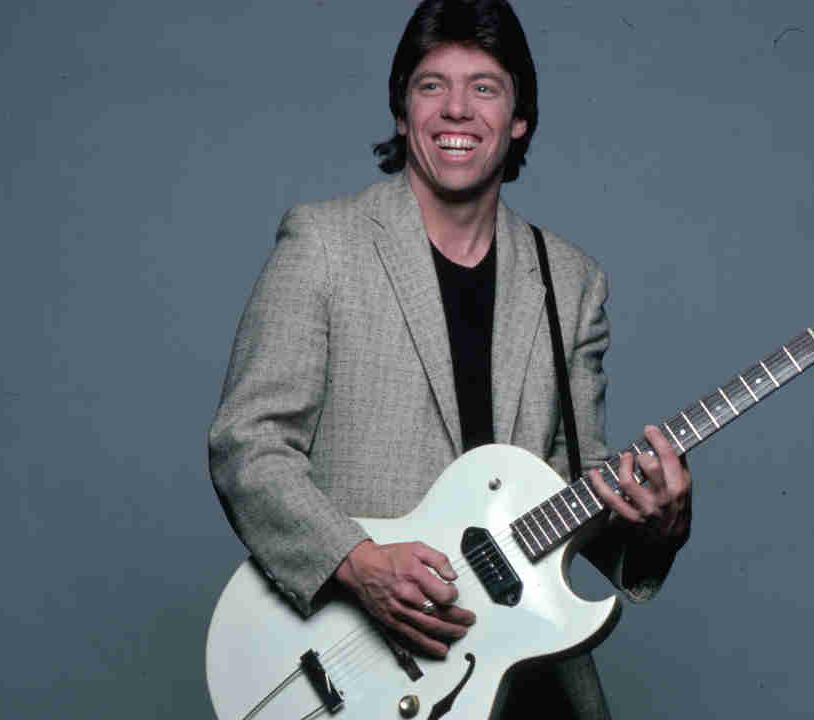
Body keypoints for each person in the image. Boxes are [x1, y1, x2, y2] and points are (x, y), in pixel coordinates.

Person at [208, 1, 691, 717]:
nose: (456, 110)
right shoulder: (324, 245)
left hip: (523, 674)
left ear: (520, 117)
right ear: (403, 111)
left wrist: (658, 525)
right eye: (432, 85)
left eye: (485, 87)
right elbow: (248, 445)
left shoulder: (571, 279)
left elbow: (580, 493)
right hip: (364, 670)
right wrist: (357, 563)